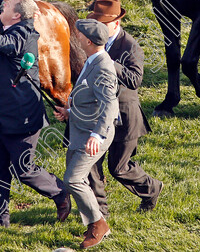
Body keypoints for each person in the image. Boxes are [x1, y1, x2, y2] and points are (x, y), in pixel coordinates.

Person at [0, 0, 71, 228]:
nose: (3, 6)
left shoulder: (24, 33)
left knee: (24, 169)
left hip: (20, 116)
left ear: (17, 15)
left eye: (8, 4)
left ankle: (60, 192)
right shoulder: (9, 28)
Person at [85, 0, 163, 215]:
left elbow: (135, 79)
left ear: (116, 24)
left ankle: (152, 189)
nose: (98, 29)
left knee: (119, 168)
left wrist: (108, 62)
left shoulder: (130, 46)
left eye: (103, 25)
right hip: (96, 115)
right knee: (92, 165)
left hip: (124, 117)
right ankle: (100, 213)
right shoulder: (90, 42)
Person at [53, 19, 119, 249]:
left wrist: (97, 136)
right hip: (81, 129)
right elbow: (91, 99)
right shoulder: (93, 60)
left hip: (93, 134)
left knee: (73, 179)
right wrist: (70, 112)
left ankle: (98, 224)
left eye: (79, 35)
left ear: (89, 41)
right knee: (73, 179)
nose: (77, 37)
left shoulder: (102, 67)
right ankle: (93, 220)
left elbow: (109, 105)